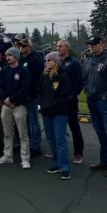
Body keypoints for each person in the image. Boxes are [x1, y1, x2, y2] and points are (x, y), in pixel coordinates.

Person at [83, 36, 107, 177]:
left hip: (104, 101)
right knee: (100, 132)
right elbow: (85, 77)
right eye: (89, 45)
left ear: (101, 44)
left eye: (93, 44)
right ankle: (105, 160)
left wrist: (106, 96)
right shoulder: (89, 60)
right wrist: (86, 91)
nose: (91, 47)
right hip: (91, 100)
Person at [37, 52, 71, 180]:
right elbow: (39, 91)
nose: (47, 63)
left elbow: (64, 95)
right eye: (46, 60)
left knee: (60, 139)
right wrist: (41, 104)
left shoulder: (63, 76)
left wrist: (51, 105)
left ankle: (64, 167)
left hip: (59, 112)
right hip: (46, 112)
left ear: (56, 62)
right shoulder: (44, 76)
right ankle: (56, 163)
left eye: (50, 60)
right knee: (50, 138)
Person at [0, 47, 31, 169]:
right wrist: (5, 99)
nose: (7, 58)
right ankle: (7, 156)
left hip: (19, 106)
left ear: (16, 57)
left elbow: (25, 88)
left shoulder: (24, 71)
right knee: (7, 133)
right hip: (6, 106)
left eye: (10, 55)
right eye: (6, 56)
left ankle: (25, 159)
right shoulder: (4, 70)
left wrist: (12, 99)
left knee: (22, 134)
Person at [57, 39, 85, 164]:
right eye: (57, 46)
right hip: (58, 101)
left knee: (74, 126)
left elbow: (79, 82)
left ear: (67, 48)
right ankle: (58, 151)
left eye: (61, 46)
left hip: (70, 101)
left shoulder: (74, 63)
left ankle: (78, 153)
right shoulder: (56, 62)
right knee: (58, 127)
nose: (58, 48)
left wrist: (72, 95)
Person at [18, 38, 44, 157]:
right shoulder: (21, 57)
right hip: (22, 95)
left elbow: (37, 79)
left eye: (24, 46)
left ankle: (36, 146)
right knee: (25, 122)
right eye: (20, 46)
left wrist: (30, 92)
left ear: (30, 46)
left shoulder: (35, 59)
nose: (22, 47)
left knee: (33, 121)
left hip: (32, 95)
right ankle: (27, 145)